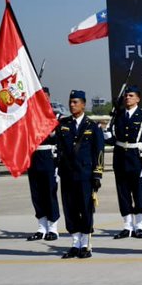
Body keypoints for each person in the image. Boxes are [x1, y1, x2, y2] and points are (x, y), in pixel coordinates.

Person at [56, 90, 104, 258]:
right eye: (70, 102)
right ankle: (75, 243)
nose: (72, 105)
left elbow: (99, 151)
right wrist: (57, 169)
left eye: (76, 102)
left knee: (85, 208)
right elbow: (59, 149)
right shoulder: (63, 124)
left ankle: (85, 244)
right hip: (67, 174)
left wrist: (97, 174)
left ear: (83, 104)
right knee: (70, 209)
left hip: (85, 174)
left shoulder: (92, 126)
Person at [106, 85, 142, 240]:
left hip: (137, 159)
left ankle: (139, 226)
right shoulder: (118, 115)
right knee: (123, 193)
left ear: (138, 99)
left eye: (131, 95)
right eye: (126, 95)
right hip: (120, 158)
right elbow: (116, 139)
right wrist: (108, 137)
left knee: (138, 193)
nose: (128, 98)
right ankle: (127, 226)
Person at [26, 86, 60, 242]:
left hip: (49, 158)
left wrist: (58, 166)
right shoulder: (29, 117)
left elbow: (60, 142)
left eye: (45, 96)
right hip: (33, 157)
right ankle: (41, 227)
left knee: (50, 194)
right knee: (37, 194)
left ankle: (53, 228)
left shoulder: (56, 116)